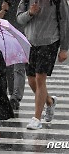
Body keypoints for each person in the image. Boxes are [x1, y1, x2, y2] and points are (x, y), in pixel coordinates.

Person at [17, 0, 69, 130]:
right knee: (31, 81)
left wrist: (64, 48)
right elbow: (19, 19)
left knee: (40, 79)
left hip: (49, 42)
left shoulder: (58, 1)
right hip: (29, 42)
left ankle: (36, 118)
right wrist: (30, 13)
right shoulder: (26, 1)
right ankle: (49, 101)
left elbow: (65, 22)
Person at [0, 0, 26, 110]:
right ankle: (3, 95)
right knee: (5, 69)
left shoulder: (21, 5)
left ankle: (15, 98)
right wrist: (3, 10)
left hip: (18, 39)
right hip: (1, 41)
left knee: (18, 69)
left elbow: (24, 20)